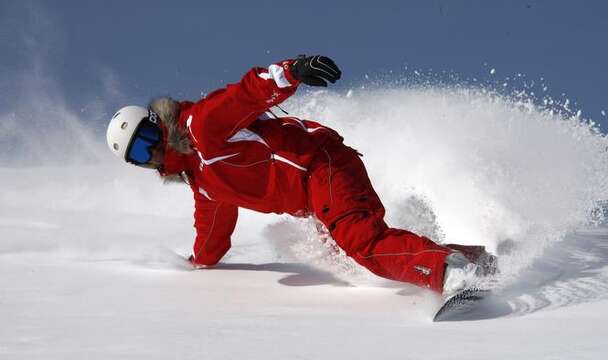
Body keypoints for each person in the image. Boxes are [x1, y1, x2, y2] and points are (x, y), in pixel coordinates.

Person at [106, 55, 494, 297]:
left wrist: (292, 71)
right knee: (351, 253)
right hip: (311, 196)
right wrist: (198, 263)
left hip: (319, 165)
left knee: (362, 243)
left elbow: (245, 94)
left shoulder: (201, 127)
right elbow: (212, 230)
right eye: (139, 155)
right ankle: (475, 261)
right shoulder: (202, 182)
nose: (151, 152)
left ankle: (450, 274)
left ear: (157, 122)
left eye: (146, 139)